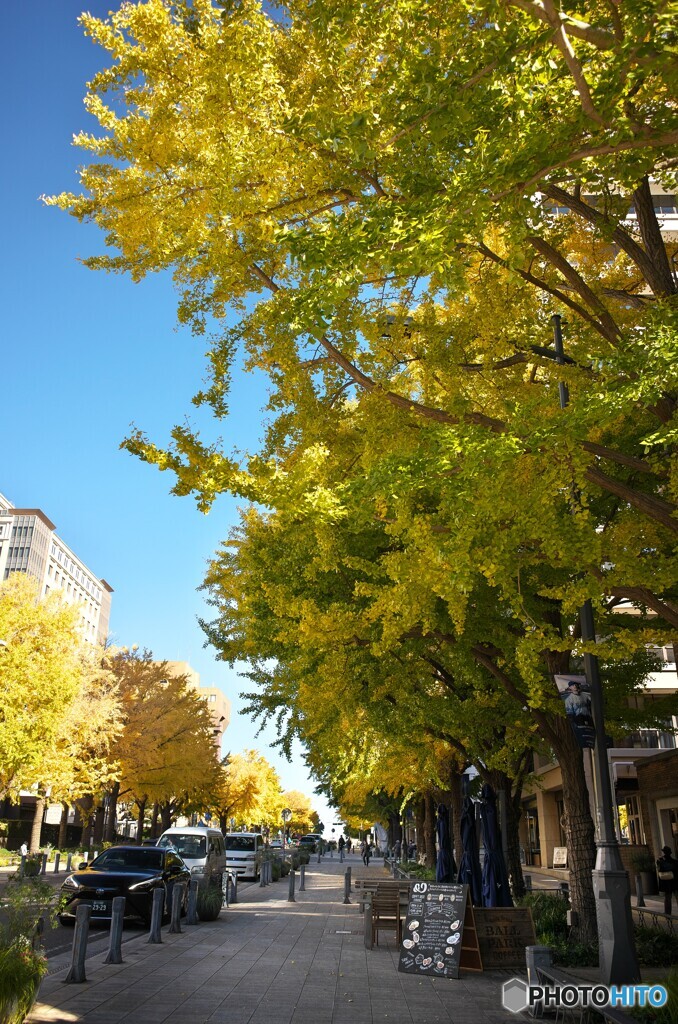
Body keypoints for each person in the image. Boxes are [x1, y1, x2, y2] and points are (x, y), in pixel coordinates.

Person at [656, 845, 678, 915]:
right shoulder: (675, 861)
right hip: (674, 881)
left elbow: (659, 869)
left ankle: (667, 912)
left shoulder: (660, 861)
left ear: (664, 852)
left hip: (666, 882)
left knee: (668, 898)